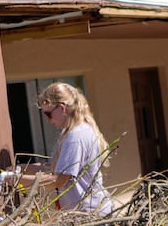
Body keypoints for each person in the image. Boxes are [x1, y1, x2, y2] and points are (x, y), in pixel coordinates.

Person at [18, 81, 112, 213]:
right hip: (88, 210)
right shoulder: (74, 131)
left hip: (89, 213)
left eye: (48, 114)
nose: (48, 120)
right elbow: (53, 167)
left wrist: (17, 180)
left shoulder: (75, 137)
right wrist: (21, 169)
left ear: (61, 108)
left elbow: (59, 180)